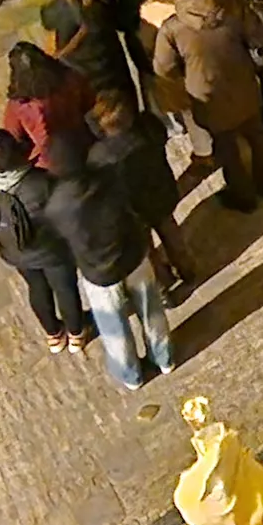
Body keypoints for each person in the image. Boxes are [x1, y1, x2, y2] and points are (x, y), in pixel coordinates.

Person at [42, 123, 172, 388]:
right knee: (151, 309)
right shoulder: (108, 177)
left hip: (98, 272)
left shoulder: (57, 205)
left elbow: (63, 241)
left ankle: (131, 375)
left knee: (114, 327)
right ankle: (164, 358)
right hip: (132, 254)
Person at [145, 0, 263, 210]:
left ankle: (244, 197)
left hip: (207, 94)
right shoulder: (233, 5)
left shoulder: (173, 28)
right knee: (257, 135)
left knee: (226, 147)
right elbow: (256, 35)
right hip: (243, 83)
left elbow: (163, 68)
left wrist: (188, 69)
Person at [0, 132, 85, 357]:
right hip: (51, 249)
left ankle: (53, 335)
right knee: (65, 288)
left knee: (37, 288)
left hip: (16, 249)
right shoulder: (39, 181)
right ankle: (76, 335)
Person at [82, 91, 194, 297]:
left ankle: (162, 284)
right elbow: (160, 134)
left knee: (148, 250)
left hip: (134, 211)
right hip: (161, 194)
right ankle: (187, 270)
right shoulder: (149, 128)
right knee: (172, 233)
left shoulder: (100, 155)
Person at [40, 0, 136, 114]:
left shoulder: (60, 5)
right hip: (111, 68)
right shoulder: (101, 4)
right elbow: (120, 22)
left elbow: (47, 20)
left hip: (78, 69)